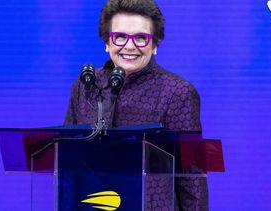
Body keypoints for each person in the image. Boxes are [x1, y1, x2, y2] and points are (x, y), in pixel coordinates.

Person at [64, 0, 208, 210]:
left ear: (155, 45)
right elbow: (67, 160)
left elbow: (192, 179)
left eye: (141, 38)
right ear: (107, 42)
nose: (129, 46)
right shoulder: (87, 84)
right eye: (120, 37)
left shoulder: (178, 93)